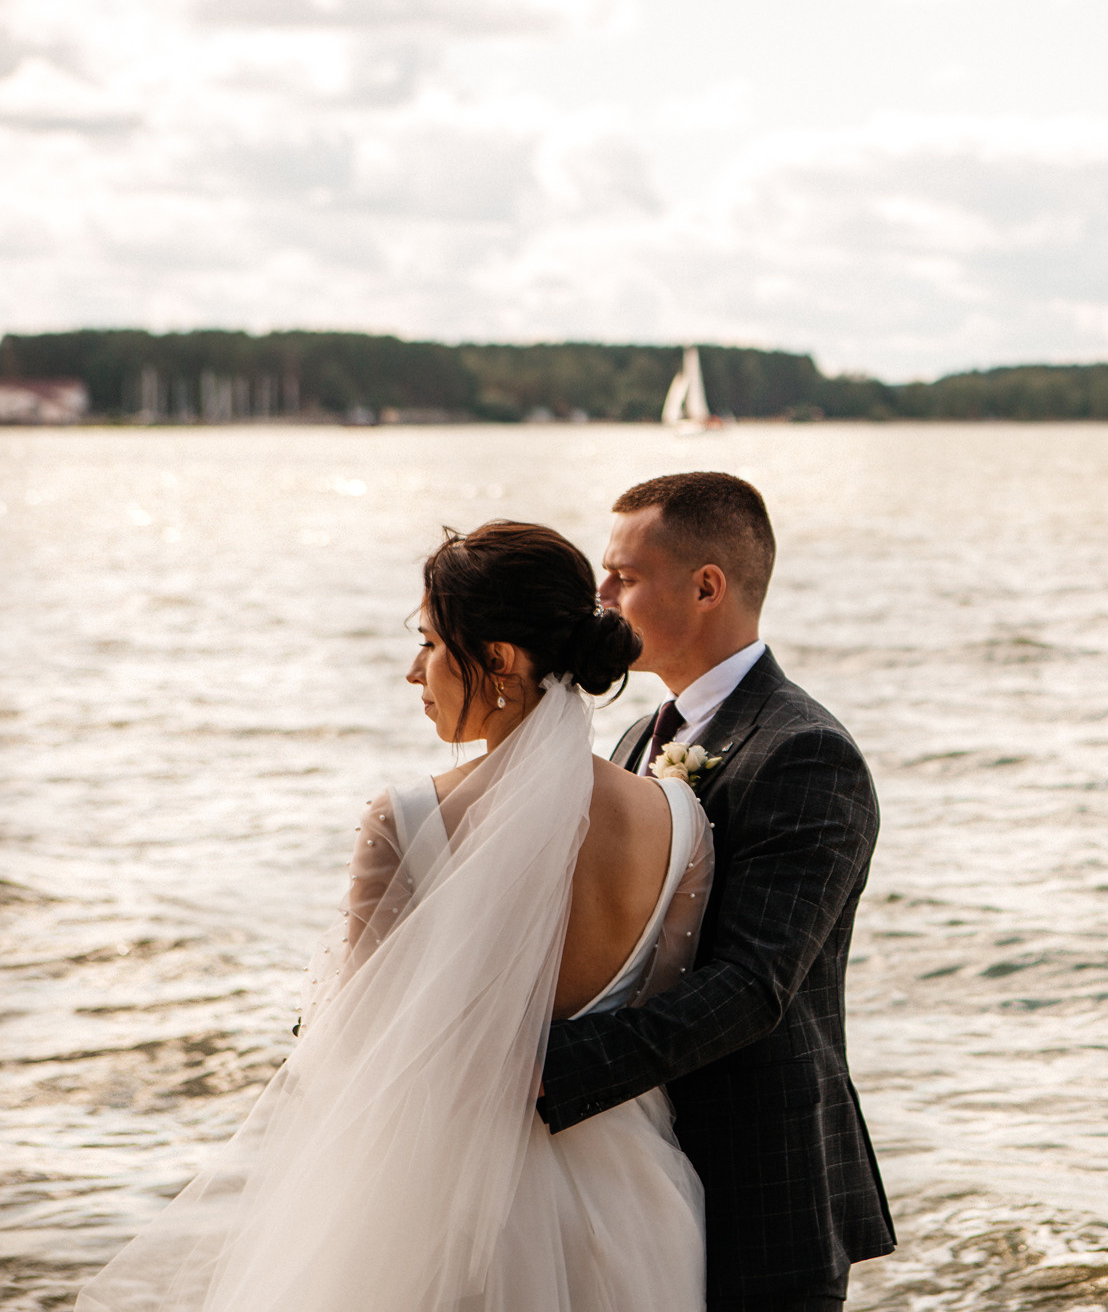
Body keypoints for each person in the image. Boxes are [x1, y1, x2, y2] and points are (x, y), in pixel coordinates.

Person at [80, 521, 713, 1312]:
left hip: (448, 1201)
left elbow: (358, 1047)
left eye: (430, 642)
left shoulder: (410, 816)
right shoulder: (680, 818)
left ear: (499, 661)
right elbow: (669, 1007)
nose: (415, 669)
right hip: (638, 1204)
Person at [538, 472, 895, 1312]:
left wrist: (548, 1073)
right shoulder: (636, 736)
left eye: (622, 574)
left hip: (757, 1180)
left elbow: (753, 985)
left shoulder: (806, 753)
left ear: (707, 586)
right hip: (633, 1163)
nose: (602, 594)